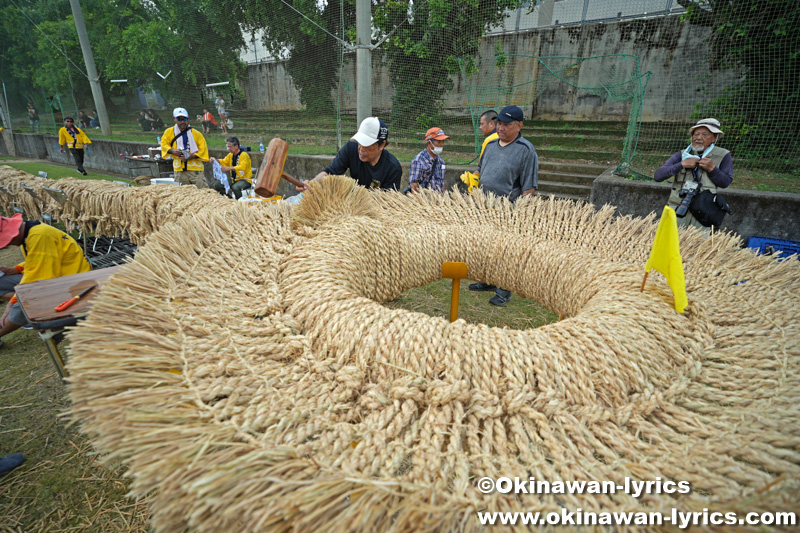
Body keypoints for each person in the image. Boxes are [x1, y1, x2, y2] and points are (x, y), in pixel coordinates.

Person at [468, 105, 538, 307]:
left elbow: (529, 188)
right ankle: (487, 281)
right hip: (485, 206)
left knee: (505, 252)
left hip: (508, 210)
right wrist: (474, 181)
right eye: (499, 123)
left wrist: (521, 214)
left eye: (506, 125)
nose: (501, 128)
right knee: (486, 247)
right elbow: (480, 169)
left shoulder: (526, 150)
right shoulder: (490, 145)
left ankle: (504, 290)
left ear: (519, 125)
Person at [0, 213, 91, 348]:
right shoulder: (30, 233)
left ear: (13, 234)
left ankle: (31, 315)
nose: (10, 244)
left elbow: (38, 279)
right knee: (16, 294)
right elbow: (37, 261)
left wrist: (11, 304)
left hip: (71, 281)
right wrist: (17, 269)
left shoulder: (39, 236)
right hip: (57, 276)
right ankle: (39, 314)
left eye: (8, 241)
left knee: (24, 302)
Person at [653, 117, 733, 229]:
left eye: (705, 135)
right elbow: (658, 176)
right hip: (677, 207)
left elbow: (725, 183)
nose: (699, 138)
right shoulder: (682, 154)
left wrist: (713, 169)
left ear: (715, 137)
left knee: (696, 244)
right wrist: (682, 164)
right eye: (696, 134)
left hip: (704, 211)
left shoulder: (723, 155)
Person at [298, 117, 402, 192]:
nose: (360, 148)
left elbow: (387, 204)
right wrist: (312, 184)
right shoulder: (351, 148)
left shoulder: (392, 168)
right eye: (359, 142)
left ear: (382, 145)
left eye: (366, 144)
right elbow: (330, 172)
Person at [160, 107, 209, 188]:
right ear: (174, 119)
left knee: (203, 192)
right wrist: (172, 150)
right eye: (179, 119)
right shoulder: (168, 132)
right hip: (179, 170)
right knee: (182, 195)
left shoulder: (197, 134)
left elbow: (203, 150)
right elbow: (163, 145)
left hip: (195, 169)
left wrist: (191, 156)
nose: (182, 121)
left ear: (188, 119)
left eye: (185, 119)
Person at [409, 127, 450, 193]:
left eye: (443, 142)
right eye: (439, 142)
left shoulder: (441, 161)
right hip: (424, 201)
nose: (441, 145)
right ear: (429, 143)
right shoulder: (418, 161)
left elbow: (442, 183)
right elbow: (414, 186)